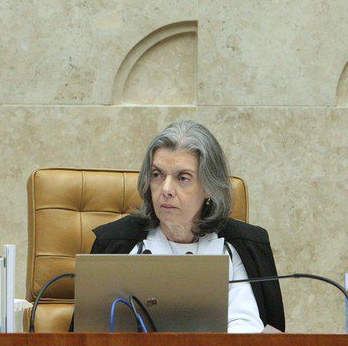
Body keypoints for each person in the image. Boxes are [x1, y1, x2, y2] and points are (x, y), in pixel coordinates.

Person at [89, 120, 285, 333]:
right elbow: (93, 331)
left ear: (209, 187)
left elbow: (246, 327)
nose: (166, 189)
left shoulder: (241, 247)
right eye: (157, 175)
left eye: (182, 178)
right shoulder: (115, 244)